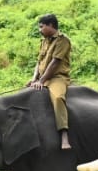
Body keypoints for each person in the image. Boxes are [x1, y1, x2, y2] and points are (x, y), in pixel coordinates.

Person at [27, 13, 72, 150]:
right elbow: (38, 62)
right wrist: (34, 79)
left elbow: (55, 63)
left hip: (56, 78)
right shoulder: (43, 41)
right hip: (41, 79)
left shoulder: (62, 41)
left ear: (51, 25)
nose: (40, 30)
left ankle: (64, 134)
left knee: (58, 98)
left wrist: (41, 81)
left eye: (42, 27)